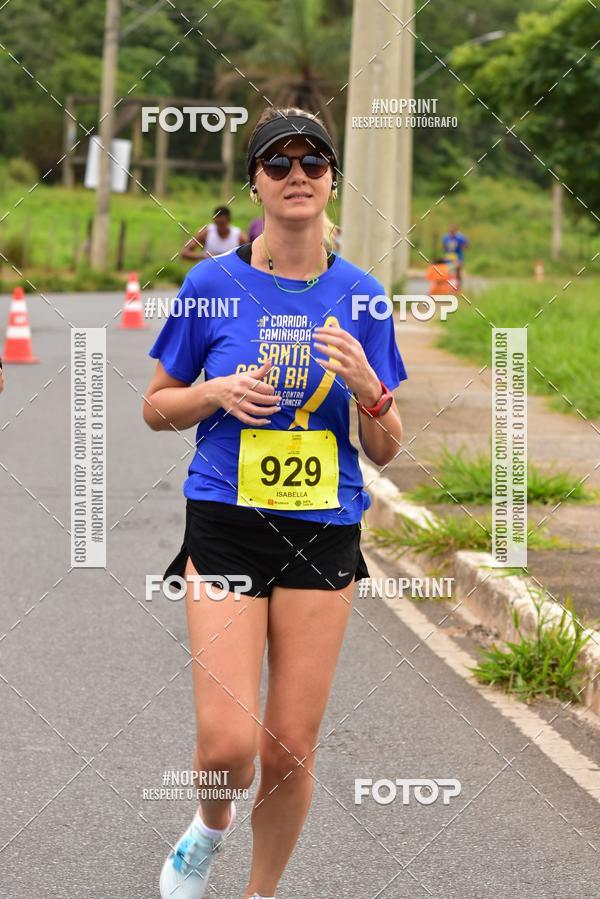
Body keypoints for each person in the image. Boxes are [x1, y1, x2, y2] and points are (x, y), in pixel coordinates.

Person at [144, 106, 407, 899]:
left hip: (324, 529)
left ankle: (261, 893)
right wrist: (213, 392)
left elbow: (388, 445)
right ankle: (209, 828)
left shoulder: (362, 296)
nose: (298, 176)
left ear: (332, 180)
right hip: (226, 522)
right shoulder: (211, 285)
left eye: (314, 162)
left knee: (289, 744)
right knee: (228, 744)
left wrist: (369, 388)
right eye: (280, 163)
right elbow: (156, 406)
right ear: (255, 181)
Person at [182, 206, 247, 261]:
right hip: (208, 272)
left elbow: (250, 258)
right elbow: (185, 253)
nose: (220, 227)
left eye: (222, 224)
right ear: (214, 220)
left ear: (229, 220)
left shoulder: (240, 237)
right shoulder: (205, 233)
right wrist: (202, 256)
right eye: (217, 224)